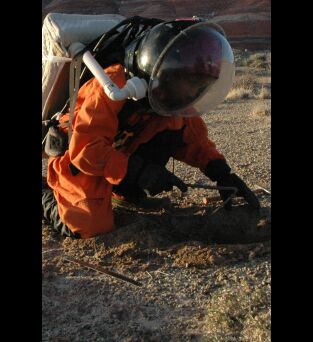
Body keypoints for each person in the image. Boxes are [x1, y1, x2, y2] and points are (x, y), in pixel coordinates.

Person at [42, 19, 260, 239]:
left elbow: (194, 140)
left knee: (171, 127)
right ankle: (45, 195)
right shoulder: (110, 85)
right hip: (78, 156)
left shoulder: (173, 97)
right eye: (192, 82)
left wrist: (221, 172)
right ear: (173, 72)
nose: (193, 91)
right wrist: (139, 172)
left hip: (117, 149)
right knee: (88, 227)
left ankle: (124, 192)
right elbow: (85, 150)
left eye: (200, 85)